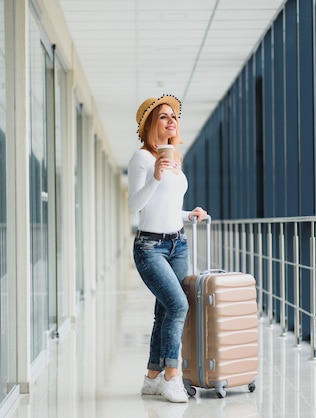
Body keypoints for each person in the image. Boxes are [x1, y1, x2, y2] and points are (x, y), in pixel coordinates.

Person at [127, 94, 208, 403]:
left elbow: (168, 207)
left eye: (174, 115)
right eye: (163, 116)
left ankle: (151, 378)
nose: (171, 120)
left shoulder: (174, 159)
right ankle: (172, 375)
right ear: (150, 124)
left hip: (178, 242)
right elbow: (135, 205)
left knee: (164, 310)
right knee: (178, 306)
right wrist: (156, 177)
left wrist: (190, 214)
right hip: (150, 247)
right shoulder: (143, 159)